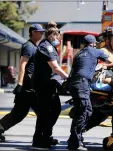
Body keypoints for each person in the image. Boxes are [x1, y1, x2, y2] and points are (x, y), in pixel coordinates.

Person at [0, 24, 45, 142]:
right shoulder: (29, 46)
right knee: (41, 113)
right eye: (40, 32)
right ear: (33, 32)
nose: (42, 34)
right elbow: (22, 64)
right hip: (28, 87)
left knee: (20, 113)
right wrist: (20, 84)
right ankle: (42, 137)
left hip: (31, 86)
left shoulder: (34, 46)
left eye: (42, 32)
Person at [83, 26, 113, 141]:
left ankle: (79, 131)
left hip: (109, 89)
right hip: (102, 88)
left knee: (101, 115)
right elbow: (98, 70)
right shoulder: (103, 51)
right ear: (108, 38)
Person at [67, 35, 109, 150]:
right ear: (94, 44)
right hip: (82, 84)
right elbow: (110, 60)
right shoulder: (95, 51)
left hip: (74, 84)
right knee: (83, 112)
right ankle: (76, 142)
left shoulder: (79, 54)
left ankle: (73, 139)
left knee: (87, 111)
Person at [32, 21, 68, 149]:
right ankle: (40, 140)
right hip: (43, 86)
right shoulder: (46, 47)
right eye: (58, 36)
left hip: (48, 85)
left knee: (51, 110)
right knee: (46, 112)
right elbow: (55, 67)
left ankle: (44, 136)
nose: (58, 39)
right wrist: (67, 78)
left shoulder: (48, 46)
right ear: (53, 35)